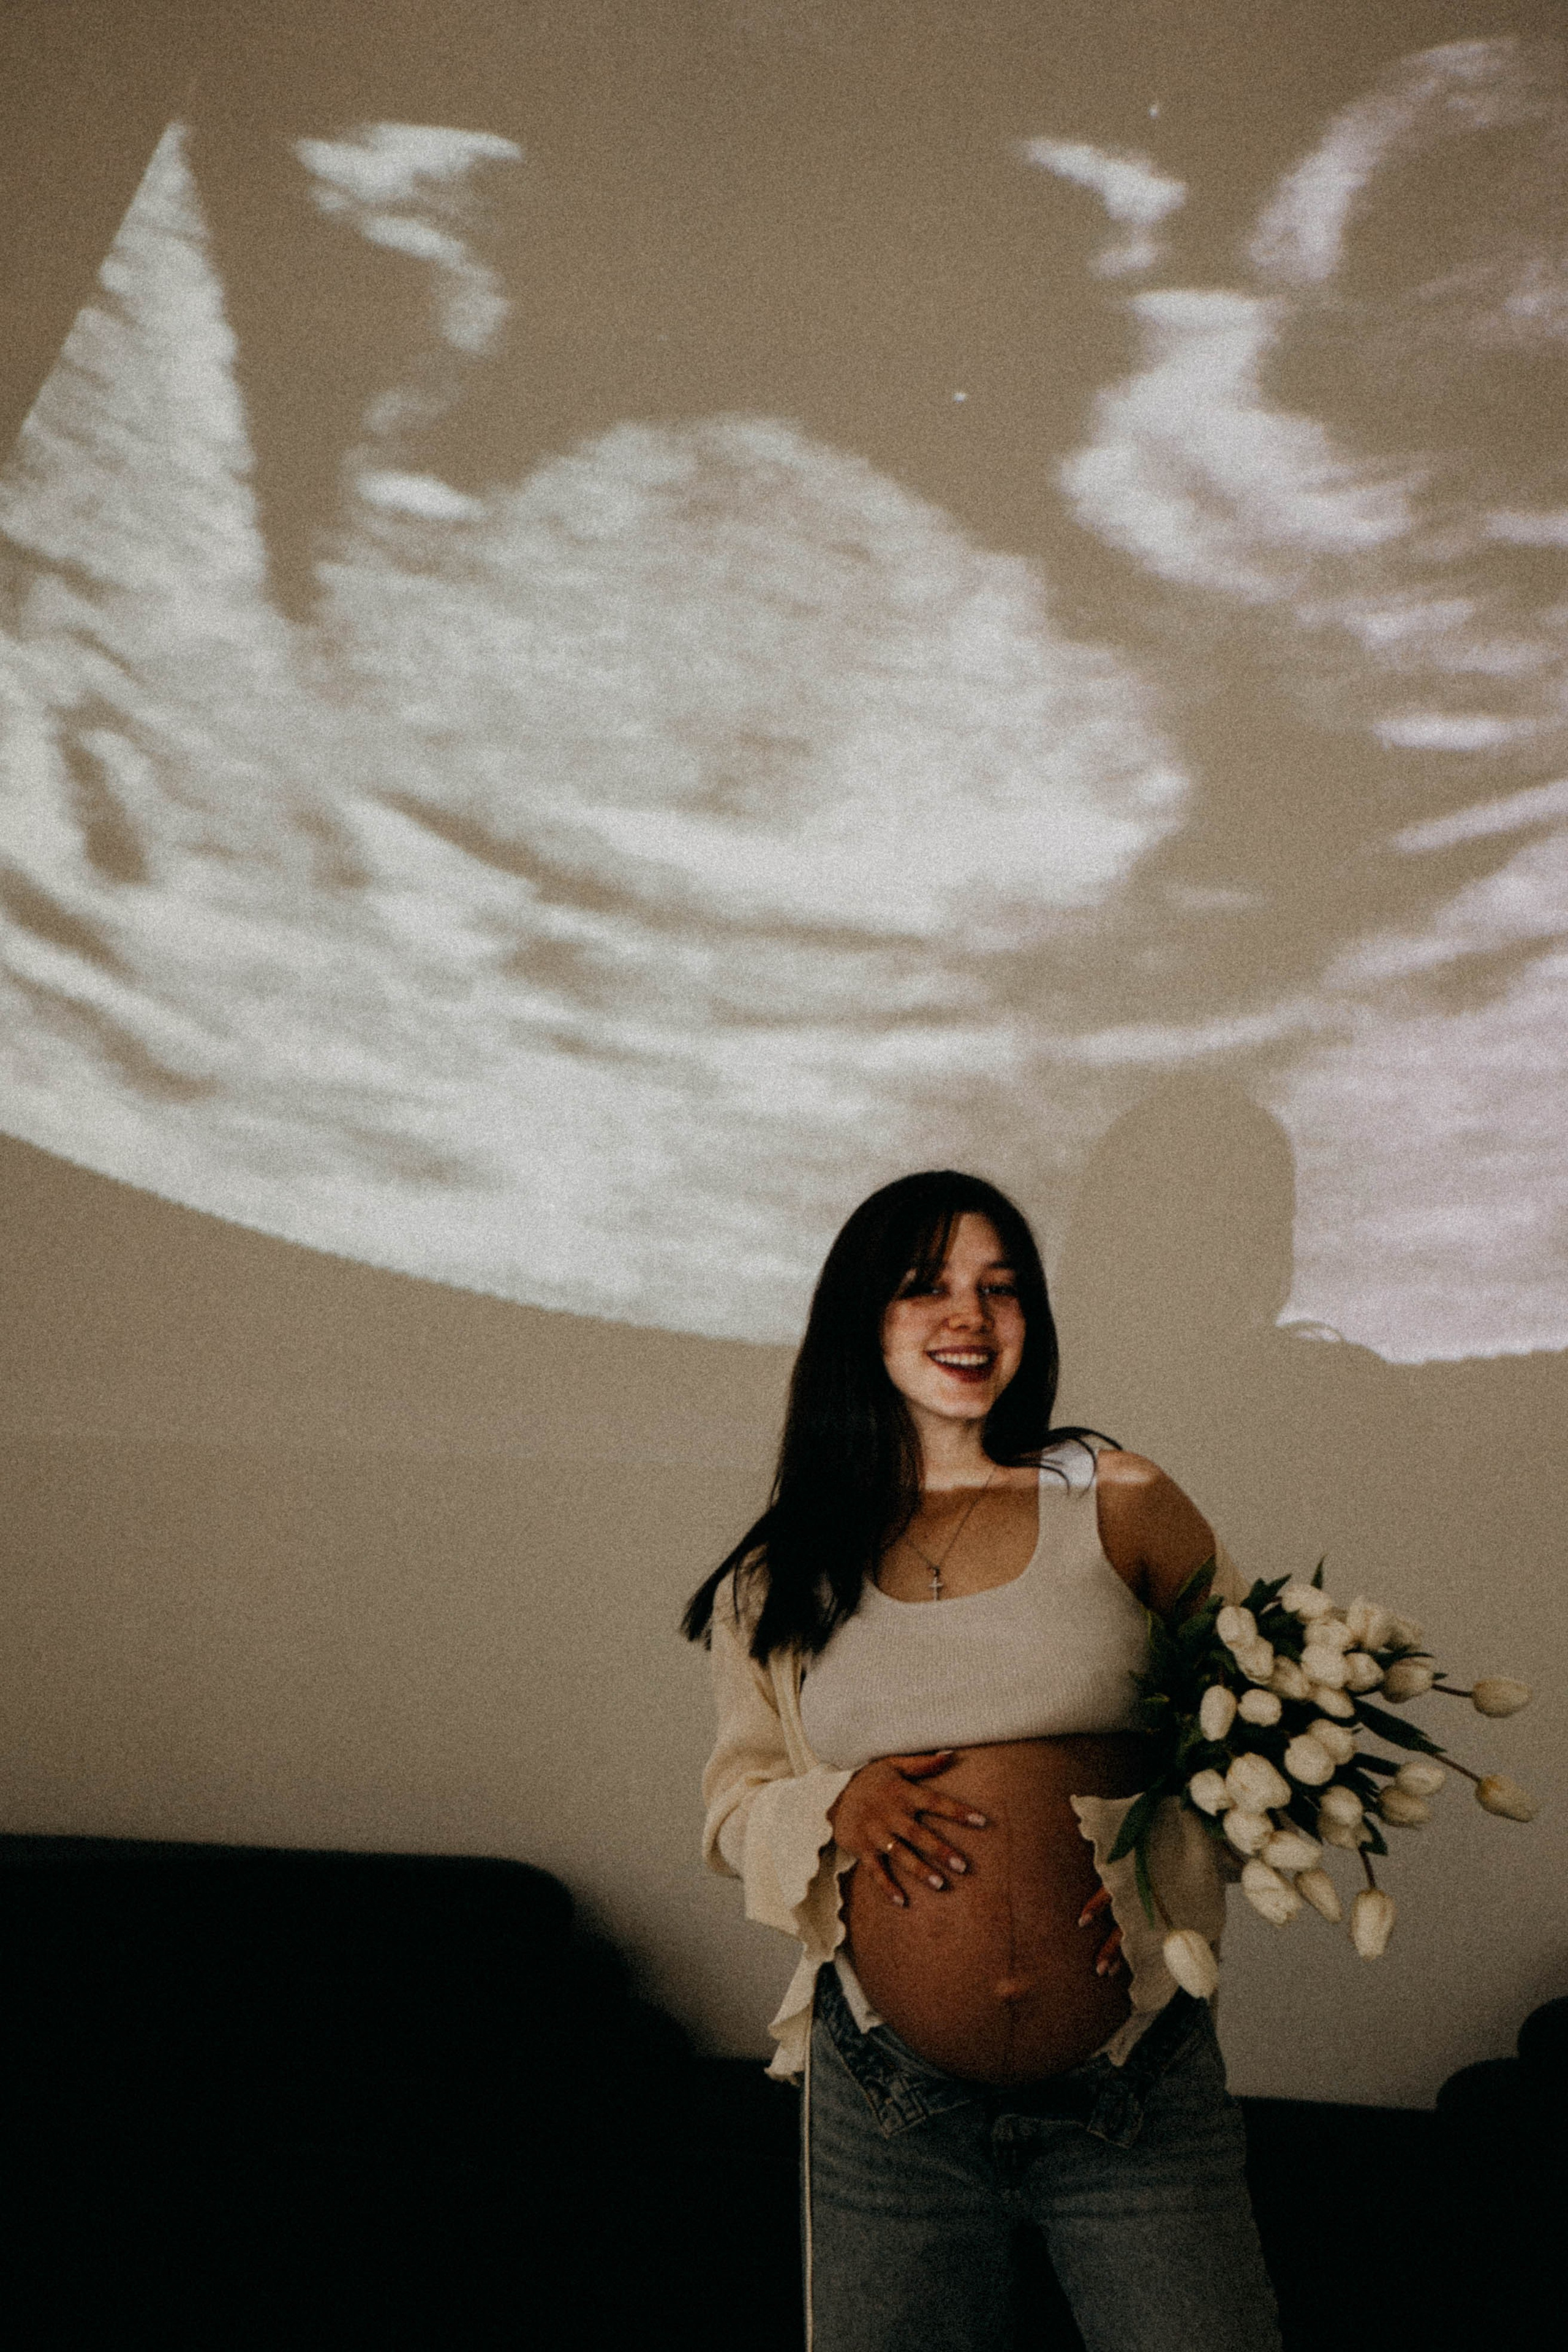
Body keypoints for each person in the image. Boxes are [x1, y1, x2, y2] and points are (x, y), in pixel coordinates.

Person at [683, 1169, 1281, 2352]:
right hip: (889, 2107)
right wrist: (830, 1806)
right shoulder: (785, 1570)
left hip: (1131, 2088)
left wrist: (1165, 1872)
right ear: (864, 1320)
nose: (969, 1316)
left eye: (999, 1289)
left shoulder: (1119, 1502)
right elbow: (732, 1807)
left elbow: (1263, 1737)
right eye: (927, 1289)